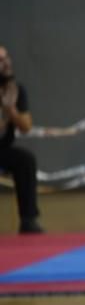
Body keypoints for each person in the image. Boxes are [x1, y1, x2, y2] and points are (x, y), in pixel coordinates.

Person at [0, 46, 42, 234]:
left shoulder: (16, 90)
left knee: (25, 160)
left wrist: (11, 110)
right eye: (0, 60)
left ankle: (28, 220)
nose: (6, 62)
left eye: (6, 57)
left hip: (2, 149)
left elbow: (26, 126)